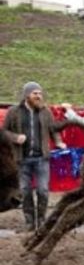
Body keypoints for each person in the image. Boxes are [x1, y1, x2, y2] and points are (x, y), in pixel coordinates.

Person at [2, 81, 66, 231]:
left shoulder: (46, 112)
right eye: (35, 93)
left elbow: (54, 129)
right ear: (26, 95)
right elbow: (4, 132)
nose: (38, 96)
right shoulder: (14, 111)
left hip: (41, 158)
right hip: (21, 159)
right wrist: (15, 137)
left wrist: (58, 141)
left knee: (43, 190)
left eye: (40, 93)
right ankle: (29, 222)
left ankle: (42, 220)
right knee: (25, 191)